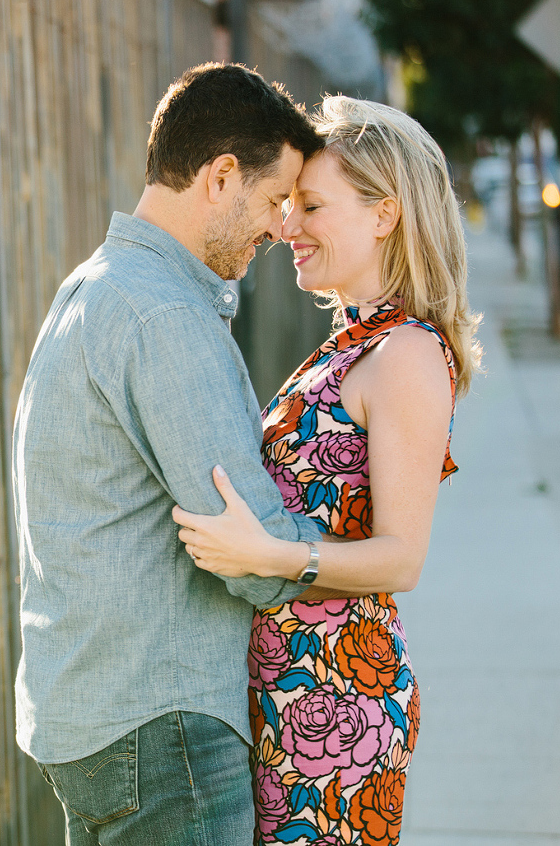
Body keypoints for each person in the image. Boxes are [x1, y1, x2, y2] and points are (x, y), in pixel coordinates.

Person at [12, 62, 326, 844]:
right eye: (274, 199)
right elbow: (252, 554)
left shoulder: (96, 286)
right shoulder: (164, 316)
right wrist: (346, 556)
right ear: (221, 176)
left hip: (99, 718)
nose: (282, 226)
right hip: (163, 730)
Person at [174, 96, 481, 846]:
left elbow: (401, 556)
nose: (285, 227)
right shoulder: (352, 342)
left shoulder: (404, 352)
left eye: (309, 204)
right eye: (286, 205)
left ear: (383, 215)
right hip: (289, 693)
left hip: (336, 707)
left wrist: (269, 556)